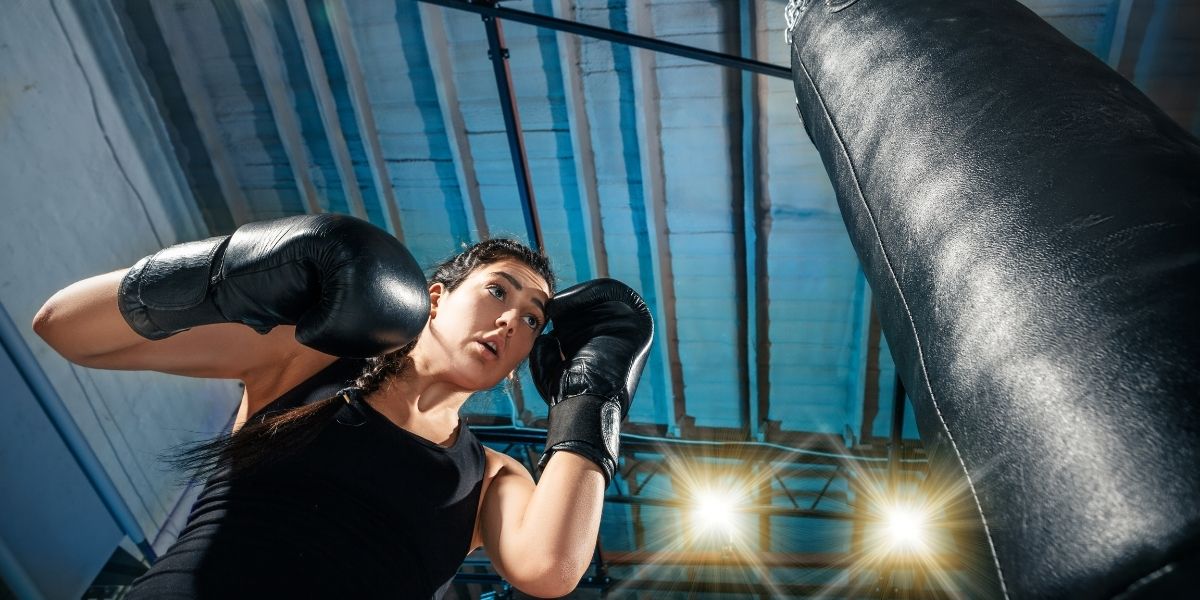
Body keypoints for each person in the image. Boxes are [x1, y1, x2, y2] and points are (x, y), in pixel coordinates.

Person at [32, 213, 653, 598]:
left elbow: (550, 569)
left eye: (532, 320)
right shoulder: (309, 358)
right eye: (497, 291)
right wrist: (228, 267)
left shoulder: (492, 476)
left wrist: (592, 393)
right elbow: (65, 326)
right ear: (435, 298)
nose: (510, 322)